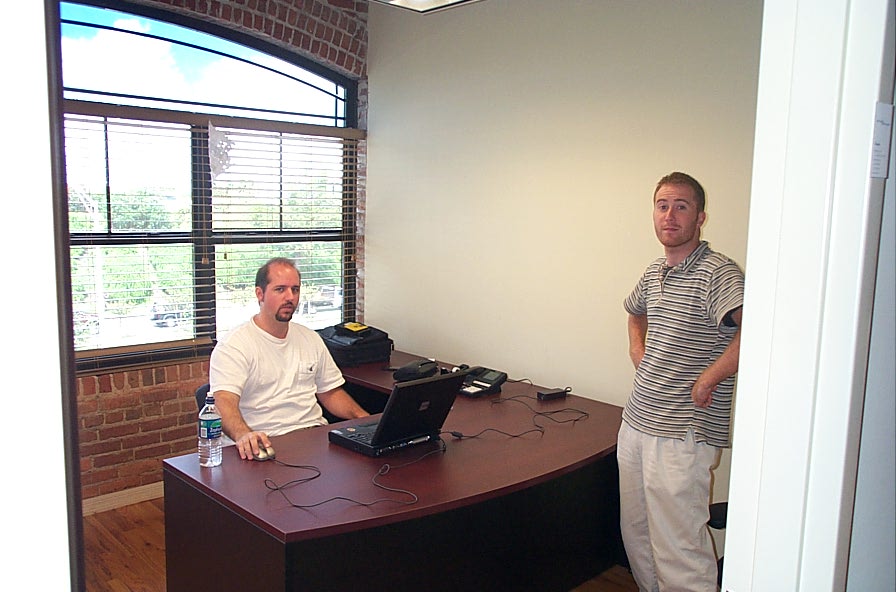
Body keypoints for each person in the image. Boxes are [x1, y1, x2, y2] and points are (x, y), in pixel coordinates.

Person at [619, 172, 745, 591]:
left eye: (681, 206)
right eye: (662, 206)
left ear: (700, 217)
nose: (669, 215)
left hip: (681, 433)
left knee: (679, 550)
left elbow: (757, 329)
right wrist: (637, 349)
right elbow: (634, 312)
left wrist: (710, 377)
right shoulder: (655, 271)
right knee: (638, 537)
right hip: (636, 423)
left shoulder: (718, 273)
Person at [209, 257, 369, 461]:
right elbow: (223, 401)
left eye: (295, 289)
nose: (290, 297)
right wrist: (243, 435)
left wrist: (365, 419)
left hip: (313, 438)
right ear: (260, 294)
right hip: (266, 443)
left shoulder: (310, 338)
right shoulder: (235, 345)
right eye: (280, 289)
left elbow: (330, 392)